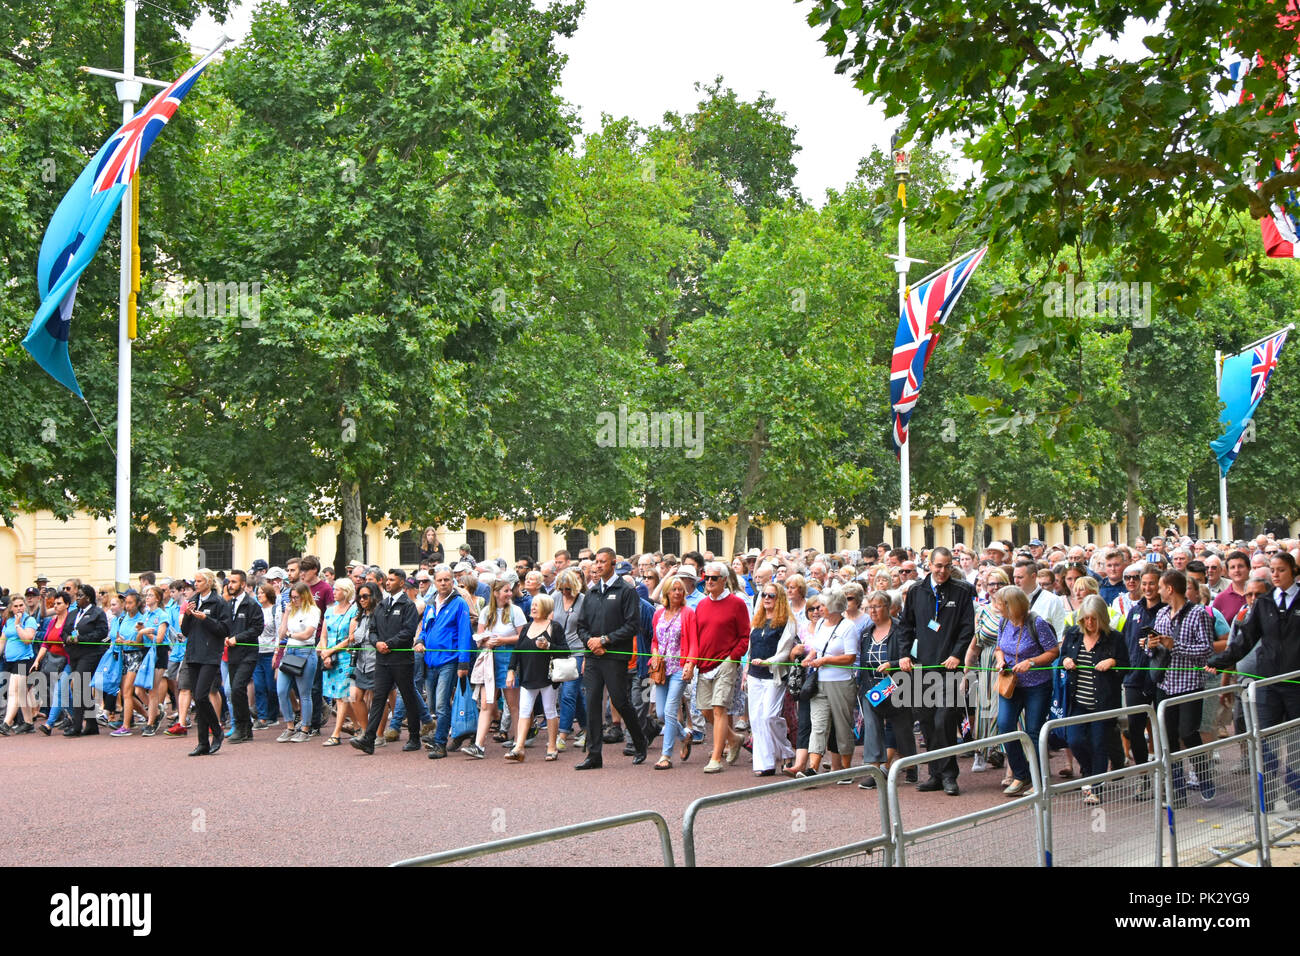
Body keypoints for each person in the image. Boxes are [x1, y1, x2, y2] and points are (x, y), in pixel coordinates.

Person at [1209, 552, 1300, 809]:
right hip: (1267, 684)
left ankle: (1297, 795)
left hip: (1296, 685)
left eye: (1281, 570)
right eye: (1273, 569)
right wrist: (1219, 661)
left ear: (1293, 571)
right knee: (1264, 741)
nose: (1276, 574)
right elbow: (1244, 640)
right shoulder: (1264, 603)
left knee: (1296, 743)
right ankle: (1267, 797)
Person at [897, 547, 975, 796]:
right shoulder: (916, 590)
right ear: (929, 564)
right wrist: (904, 655)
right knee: (927, 722)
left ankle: (950, 775)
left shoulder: (962, 591)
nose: (942, 571)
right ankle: (934, 774)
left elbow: (967, 628)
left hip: (949, 668)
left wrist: (957, 655)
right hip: (920, 667)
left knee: (945, 720)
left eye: (947, 566)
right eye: (938, 565)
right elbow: (906, 627)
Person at [575, 547, 648, 769]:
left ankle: (640, 742)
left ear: (613, 563)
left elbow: (632, 625)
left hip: (615, 656)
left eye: (602, 562)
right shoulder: (592, 592)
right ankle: (594, 755)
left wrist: (605, 640)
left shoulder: (626, 591)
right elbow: (581, 625)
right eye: (596, 562)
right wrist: (590, 642)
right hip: (593, 657)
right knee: (592, 703)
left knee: (620, 701)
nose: (598, 566)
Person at [1147, 569, 1215, 806]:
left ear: (1170, 589)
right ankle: (1176, 790)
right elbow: (1154, 651)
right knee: (1169, 739)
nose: (1156, 591)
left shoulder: (1198, 614)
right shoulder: (1162, 614)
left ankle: (1205, 777)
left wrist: (1175, 645)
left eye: (1160, 586)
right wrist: (1151, 645)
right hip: (1165, 684)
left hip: (1189, 685)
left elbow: (1206, 650)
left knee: (1188, 732)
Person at [1060, 594, 1128, 804]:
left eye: (1094, 619)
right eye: (1085, 619)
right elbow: (1062, 656)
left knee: (1099, 743)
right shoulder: (1073, 634)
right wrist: (1066, 660)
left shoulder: (1114, 638)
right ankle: (1088, 773)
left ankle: (1095, 785)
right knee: (1075, 739)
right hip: (1078, 699)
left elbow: (1127, 664)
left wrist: (1113, 661)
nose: (1089, 623)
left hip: (1104, 701)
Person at [994, 585, 1060, 796]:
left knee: (1033, 731)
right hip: (1011, 683)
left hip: (1037, 685)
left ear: (1011, 606)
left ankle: (1040, 779)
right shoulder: (1004, 622)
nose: (997, 607)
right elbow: (998, 648)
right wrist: (1000, 660)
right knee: (1005, 726)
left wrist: (1030, 662)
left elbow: (1053, 651)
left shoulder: (1037, 623)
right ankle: (1021, 774)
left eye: (1000, 604)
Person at [352, 570, 423, 754]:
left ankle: (415, 737)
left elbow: (408, 631)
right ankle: (369, 739)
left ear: (402, 583)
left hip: (401, 660)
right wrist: (377, 643)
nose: (388, 583)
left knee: (408, 697)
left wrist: (389, 644)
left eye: (392, 580)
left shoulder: (408, 605)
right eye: (388, 580)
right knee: (378, 699)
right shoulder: (382, 605)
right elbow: (372, 630)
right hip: (382, 660)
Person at [691, 561, 752, 774]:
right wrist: (692, 661)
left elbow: (745, 635)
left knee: (719, 709)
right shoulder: (702, 605)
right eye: (706, 578)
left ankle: (716, 757)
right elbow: (696, 636)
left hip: (726, 663)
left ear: (724, 580)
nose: (708, 581)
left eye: (713, 578)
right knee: (705, 708)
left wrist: (733, 658)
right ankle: (733, 738)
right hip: (704, 664)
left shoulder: (737, 603)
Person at [504, 593, 571, 761]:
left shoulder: (554, 627)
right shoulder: (526, 627)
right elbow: (517, 651)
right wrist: (511, 670)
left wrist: (549, 646)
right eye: (532, 604)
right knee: (524, 711)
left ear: (546, 608)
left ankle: (552, 746)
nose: (532, 607)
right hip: (527, 676)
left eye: (537, 605)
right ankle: (519, 747)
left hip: (547, 677)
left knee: (549, 711)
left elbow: (566, 651)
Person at [463, 578, 525, 758]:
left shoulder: (516, 611)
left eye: (509, 590)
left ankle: (518, 742)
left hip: (509, 659)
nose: (509, 593)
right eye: (506, 590)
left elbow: (523, 637)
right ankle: (479, 746)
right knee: (486, 704)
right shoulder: (485, 612)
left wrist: (502, 640)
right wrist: (484, 640)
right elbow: (479, 636)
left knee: (513, 704)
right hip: (489, 659)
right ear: (496, 593)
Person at [417, 566, 473, 759]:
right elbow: (425, 628)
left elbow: (465, 633)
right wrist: (420, 641)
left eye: (447, 580)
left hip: (449, 660)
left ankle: (440, 743)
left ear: (452, 581)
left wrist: (463, 663)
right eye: (440, 580)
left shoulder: (459, 604)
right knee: (433, 704)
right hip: (430, 660)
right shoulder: (431, 603)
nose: (443, 583)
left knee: (441, 704)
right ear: (435, 582)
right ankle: (443, 736)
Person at [745, 581, 798, 777]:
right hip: (754, 675)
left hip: (773, 676)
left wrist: (767, 662)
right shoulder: (757, 620)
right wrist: (746, 670)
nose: (766, 598)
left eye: (771, 596)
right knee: (757, 719)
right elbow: (751, 648)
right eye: (764, 595)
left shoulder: (787, 621)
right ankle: (765, 763)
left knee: (770, 716)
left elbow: (784, 652)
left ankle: (786, 750)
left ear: (780, 599)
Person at [648, 575, 698, 770]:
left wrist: (690, 664)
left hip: (679, 667)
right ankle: (685, 735)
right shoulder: (658, 613)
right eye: (674, 589)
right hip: (661, 668)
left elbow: (694, 642)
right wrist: (654, 652)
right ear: (667, 592)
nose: (677, 592)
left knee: (670, 710)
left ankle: (666, 755)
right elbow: (654, 640)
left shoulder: (688, 613)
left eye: (680, 589)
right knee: (661, 713)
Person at [180, 569, 231, 756]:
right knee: (198, 699)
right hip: (193, 653)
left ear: (209, 582)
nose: (196, 584)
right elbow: (185, 631)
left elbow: (224, 629)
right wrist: (187, 614)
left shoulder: (219, 602)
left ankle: (217, 731)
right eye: (195, 581)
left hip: (210, 654)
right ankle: (202, 742)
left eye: (200, 581)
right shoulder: (193, 600)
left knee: (202, 695)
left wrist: (206, 619)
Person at [857, 589, 904, 787]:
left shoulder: (901, 629)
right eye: (869, 607)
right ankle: (875, 770)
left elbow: (910, 656)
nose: (873, 611)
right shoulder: (866, 631)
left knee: (898, 726)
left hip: (897, 684)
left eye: (877, 606)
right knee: (872, 727)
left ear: (888, 607)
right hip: (872, 685)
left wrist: (892, 664)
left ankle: (906, 764)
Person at [964, 568, 1009, 773]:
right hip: (986, 664)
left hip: (1009, 665)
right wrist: (966, 673)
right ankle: (980, 752)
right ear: (985, 587)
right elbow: (975, 644)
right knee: (984, 709)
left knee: (1007, 712)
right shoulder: (981, 610)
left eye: (1000, 583)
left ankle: (1004, 753)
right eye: (991, 584)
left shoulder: (1015, 608)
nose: (996, 587)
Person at [222, 570, 264, 744]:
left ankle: (241, 726)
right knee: (234, 690)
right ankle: (245, 728)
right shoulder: (228, 604)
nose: (230, 585)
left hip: (248, 653)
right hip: (232, 654)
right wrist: (224, 636)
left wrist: (237, 638)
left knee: (238, 688)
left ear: (243, 584)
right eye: (229, 582)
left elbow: (257, 628)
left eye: (234, 582)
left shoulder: (251, 604)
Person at [276, 582, 321, 743]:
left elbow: (308, 634)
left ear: (304, 596)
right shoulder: (292, 610)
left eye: (296, 597)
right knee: (281, 690)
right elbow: (281, 634)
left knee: (304, 693)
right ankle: (289, 726)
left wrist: (290, 635)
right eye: (291, 597)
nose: (293, 600)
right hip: (290, 652)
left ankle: (305, 728)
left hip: (305, 652)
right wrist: (286, 614)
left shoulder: (313, 610)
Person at [62, 585, 109, 737]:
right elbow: (65, 630)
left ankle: (76, 726)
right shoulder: (73, 613)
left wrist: (80, 639)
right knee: (83, 689)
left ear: (88, 597)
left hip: (90, 653)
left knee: (77, 685)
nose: (76, 599)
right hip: (74, 654)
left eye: (79, 596)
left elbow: (102, 632)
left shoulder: (97, 613)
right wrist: (67, 638)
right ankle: (91, 724)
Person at [550, 568, 587, 752]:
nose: (564, 592)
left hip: (578, 651)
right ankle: (588, 729)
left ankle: (563, 734)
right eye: (561, 588)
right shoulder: (555, 597)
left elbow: (590, 628)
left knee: (569, 693)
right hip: (559, 651)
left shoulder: (583, 601)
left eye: (567, 589)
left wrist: (587, 655)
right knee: (577, 694)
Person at [319, 578, 357, 746]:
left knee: (342, 696)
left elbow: (351, 637)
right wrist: (325, 653)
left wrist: (330, 651)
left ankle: (336, 734)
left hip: (345, 658)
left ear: (346, 591)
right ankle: (359, 726)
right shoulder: (329, 611)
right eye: (334, 589)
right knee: (338, 696)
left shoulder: (354, 610)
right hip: (329, 657)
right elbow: (323, 634)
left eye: (338, 590)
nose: (334, 592)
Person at [32, 589, 73, 734]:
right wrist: (37, 660)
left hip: (68, 661)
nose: (55, 606)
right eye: (54, 603)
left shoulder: (71, 620)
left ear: (67, 604)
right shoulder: (52, 621)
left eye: (59, 603)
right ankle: (76, 717)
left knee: (59, 691)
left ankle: (49, 724)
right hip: (54, 661)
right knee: (65, 692)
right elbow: (45, 643)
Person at [107, 590, 147, 736]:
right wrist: (119, 641)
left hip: (136, 656)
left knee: (127, 692)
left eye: (130, 603)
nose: (127, 606)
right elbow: (116, 636)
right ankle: (150, 715)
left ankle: (126, 725)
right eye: (126, 603)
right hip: (123, 656)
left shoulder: (141, 620)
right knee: (125, 692)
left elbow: (144, 644)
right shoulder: (122, 619)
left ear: (137, 604)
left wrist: (132, 642)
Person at [0, 594, 39, 734]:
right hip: (10, 661)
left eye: (21, 605)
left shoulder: (29, 620)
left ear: (25, 606)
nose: (19, 608)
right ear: (11, 607)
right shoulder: (8, 621)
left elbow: (27, 639)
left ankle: (6, 723)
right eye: (15, 606)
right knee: (22, 693)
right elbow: (3, 640)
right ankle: (28, 723)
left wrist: (18, 625)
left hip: (24, 660)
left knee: (14, 692)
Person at [252, 583, 280, 728]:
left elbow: (278, 632)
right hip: (257, 652)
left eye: (262, 592)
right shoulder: (256, 610)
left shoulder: (275, 611)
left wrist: (277, 652)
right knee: (258, 685)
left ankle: (273, 715)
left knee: (271, 686)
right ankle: (262, 716)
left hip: (270, 652)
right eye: (258, 593)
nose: (259, 595)